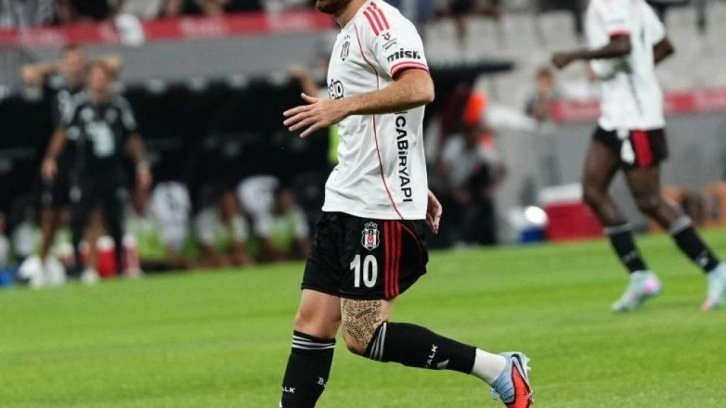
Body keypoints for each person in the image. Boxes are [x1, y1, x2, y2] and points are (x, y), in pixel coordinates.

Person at [277, 1, 533, 407]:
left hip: (378, 209)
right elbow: (386, 126)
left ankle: (498, 368)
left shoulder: (381, 22)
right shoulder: (346, 34)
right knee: (312, 322)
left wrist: (340, 106)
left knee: (363, 335)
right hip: (344, 198)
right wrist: (414, 179)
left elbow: (419, 88)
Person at [551, 0, 726, 312]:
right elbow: (665, 46)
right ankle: (640, 275)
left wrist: (576, 55)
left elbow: (623, 44)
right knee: (593, 190)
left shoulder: (608, 4)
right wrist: (638, 72)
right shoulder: (636, 4)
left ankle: (715, 269)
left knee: (650, 201)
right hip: (614, 117)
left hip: (636, 120)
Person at [41, 61, 152, 283]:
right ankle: (77, 267)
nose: (99, 81)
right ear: (89, 79)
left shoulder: (119, 105)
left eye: (103, 77)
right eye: (95, 76)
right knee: (80, 217)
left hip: (112, 170)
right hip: (86, 171)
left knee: (116, 217)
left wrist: (142, 166)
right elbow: (62, 132)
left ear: (109, 80)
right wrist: (51, 158)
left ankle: (121, 266)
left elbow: (132, 137)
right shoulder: (78, 104)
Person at [22, 45, 122, 276]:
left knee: (93, 213)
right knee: (52, 212)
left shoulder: (91, 84)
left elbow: (116, 63)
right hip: (61, 156)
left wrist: (89, 65)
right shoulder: (57, 85)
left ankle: (91, 269)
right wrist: (59, 68)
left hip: (85, 157)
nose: (75, 65)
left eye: (78, 60)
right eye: (70, 60)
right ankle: (41, 263)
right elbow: (28, 74)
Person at [194, 190, 255, 268]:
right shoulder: (204, 218)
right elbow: (207, 249)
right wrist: (222, 258)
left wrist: (230, 258)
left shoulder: (238, 220)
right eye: (225, 204)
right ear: (218, 204)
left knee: (245, 260)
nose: (229, 207)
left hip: (230, 256)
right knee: (220, 263)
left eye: (232, 204)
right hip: (206, 257)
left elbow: (239, 247)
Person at [255, 187, 311, 262]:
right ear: (276, 199)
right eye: (284, 199)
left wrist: (310, 256)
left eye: (290, 199)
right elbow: (266, 245)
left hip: (290, 252)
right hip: (269, 255)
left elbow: (303, 240)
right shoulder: (264, 215)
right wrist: (282, 257)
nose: (287, 202)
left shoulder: (296, 212)